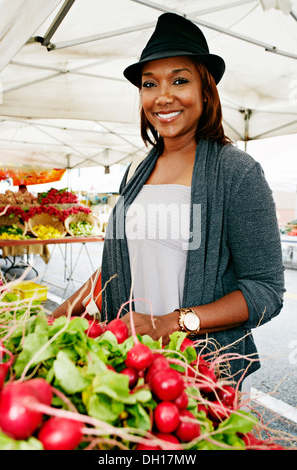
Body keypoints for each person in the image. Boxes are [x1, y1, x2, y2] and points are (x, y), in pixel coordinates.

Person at [52, 13, 285, 389]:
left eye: (180, 80)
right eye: (149, 84)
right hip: (129, 362)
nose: (163, 96)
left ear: (205, 91)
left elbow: (265, 291)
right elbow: (118, 269)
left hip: (201, 372)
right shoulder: (135, 174)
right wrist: (61, 314)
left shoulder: (237, 173)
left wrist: (169, 322)